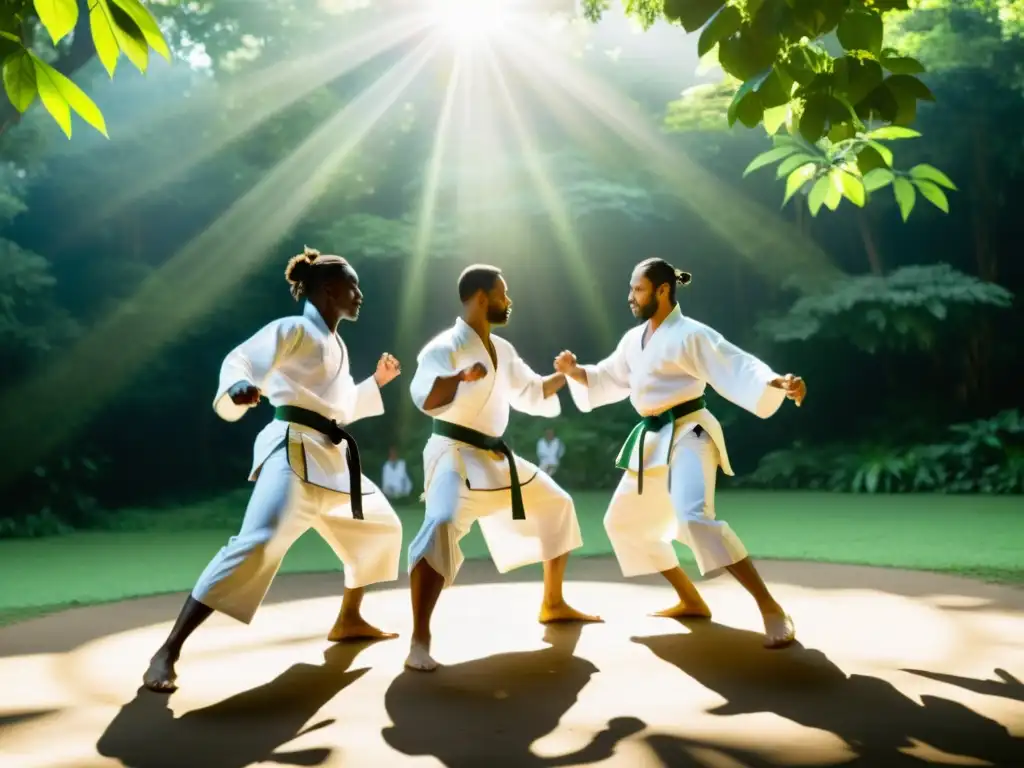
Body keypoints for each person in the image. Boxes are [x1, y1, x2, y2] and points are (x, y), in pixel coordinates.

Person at [142, 247, 405, 693]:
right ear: (327, 290)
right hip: (293, 454)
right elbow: (239, 360)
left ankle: (350, 617)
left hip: (332, 459)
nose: (360, 294)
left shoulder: (336, 344)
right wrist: (239, 386)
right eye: (352, 286)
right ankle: (167, 651)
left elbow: (335, 410)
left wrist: (375, 384)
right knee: (258, 544)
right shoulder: (293, 329)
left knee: (381, 527)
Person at [554, 257, 807, 649]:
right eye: (631, 289)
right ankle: (691, 598)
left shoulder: (690, 334)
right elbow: (606, 378)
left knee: (693, 517)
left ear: (662, 290)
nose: (631, 298)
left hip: (690, 432)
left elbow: (734, 364)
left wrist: (777, 382)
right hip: (653, 440)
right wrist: (574, 372)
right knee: (623, 522)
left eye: (638, 289)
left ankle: (771, 608)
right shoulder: (633, 341)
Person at [404, 264, 601, 672]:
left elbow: (532, 391)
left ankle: (553, 603)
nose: (508, 300)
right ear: (481, 297)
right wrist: (458, 377)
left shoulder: (503, 350)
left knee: (557, 504)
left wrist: (564, 375)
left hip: (494, 459)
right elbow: (425, 397)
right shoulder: (444, 348)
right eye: (502, 293)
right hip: (454, 455)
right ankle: (419, 639)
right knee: (440, 522)